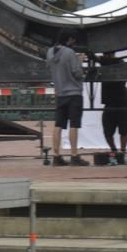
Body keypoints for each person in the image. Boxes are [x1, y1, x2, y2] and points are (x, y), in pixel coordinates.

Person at [45, 30, 88, 166]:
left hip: (60, 93)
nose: (74, 43)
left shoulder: (50, 52)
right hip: (74, 93)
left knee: (58, 124)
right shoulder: (69, 53)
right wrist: (79, 61)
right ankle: (74, 155)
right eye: (73, 40)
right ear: (69, 39)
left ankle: (56, 156)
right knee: (74, 125)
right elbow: (77, 73)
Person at [99, 53, 127, 164]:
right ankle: (115, 150)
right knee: (108, 130)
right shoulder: (106, 63)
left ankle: (122, 152)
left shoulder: (118, 62)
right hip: (111, 102)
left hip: (121, 100)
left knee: (124, 129)